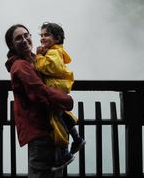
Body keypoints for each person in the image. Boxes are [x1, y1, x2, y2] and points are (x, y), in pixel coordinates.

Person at [5, 24, 74, 178]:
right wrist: (67, 101)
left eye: (26, 35)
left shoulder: (34, 60)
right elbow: (39, 92)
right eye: (18, 38)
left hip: (49, 130)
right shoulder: (20, 66)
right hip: (40, 132)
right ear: (12, 45)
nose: (24, 40)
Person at [35, 22, 86, 171]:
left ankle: (64, 153)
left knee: (56, 120)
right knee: (62, 115)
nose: (43, 38)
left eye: (47, 35)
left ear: (57, 38)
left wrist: (38, 56)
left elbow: (50, 67)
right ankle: (77, 139)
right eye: (42, 35)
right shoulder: (54, 50)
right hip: (57, 88)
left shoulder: (53, 52)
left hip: (54, 89)